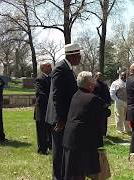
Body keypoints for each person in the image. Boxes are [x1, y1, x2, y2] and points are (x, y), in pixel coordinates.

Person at [62, 71, 108, 180]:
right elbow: (104, 112)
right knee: (78, 174)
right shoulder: (93, 99)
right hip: (82, 142)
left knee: (73, 174)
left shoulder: (75, 95)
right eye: (93, 81)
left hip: (70, 139)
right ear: (90, 85)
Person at [45, 43, 81, 180]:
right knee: (59, 152)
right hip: (59, 119)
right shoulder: (60, 69)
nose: (80, 57)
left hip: (66, 118)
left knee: (65, 149)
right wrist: (60, 119)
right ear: (72, 55)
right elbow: (57, 96)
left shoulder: (69, 69)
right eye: (78, 54)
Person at [34, 61, 52, 155]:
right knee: (41, 130)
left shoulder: (50, 78)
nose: (50, 67)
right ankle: (42, 149)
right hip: (41, 109)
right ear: (42, 68)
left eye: (50, 65)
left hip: (49, 109)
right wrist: (51, 99)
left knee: (49, 129)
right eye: (48, 66)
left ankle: (50, 146)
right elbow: (40, 93)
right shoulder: (40, 79)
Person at [93, 72, 111, 136]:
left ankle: (104, 132)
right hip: (98, 105)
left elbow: (108, 94)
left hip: (105, 105)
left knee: (104, 119)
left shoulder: (105, 84)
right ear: (96, 76)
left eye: (101, 75)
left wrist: (108, 102)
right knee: (98, 120)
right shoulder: (94, 84)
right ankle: (98, 133)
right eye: (99, 75)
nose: (100, 77)